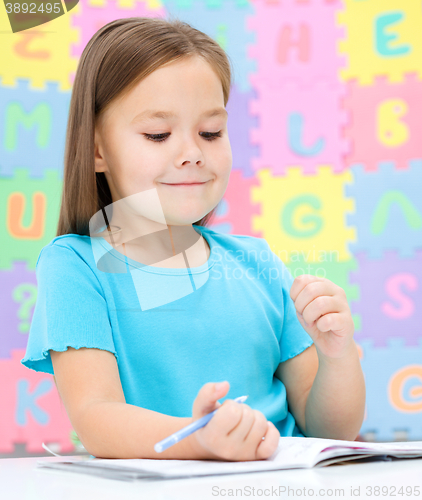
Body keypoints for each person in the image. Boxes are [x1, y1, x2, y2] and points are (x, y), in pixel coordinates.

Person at [21, 16, 366, 462]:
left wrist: (337, 357)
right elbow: (96, 415)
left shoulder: (256, 261)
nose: (191, 154)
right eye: (158, 135)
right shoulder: (76, 265)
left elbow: (330, 429)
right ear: (97, 150)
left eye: (210, 132)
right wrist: (198, 438)